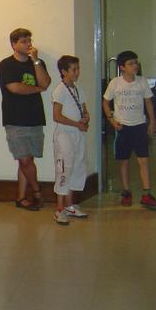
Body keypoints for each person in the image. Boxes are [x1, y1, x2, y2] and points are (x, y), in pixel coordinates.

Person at [0, 28, 51, 211]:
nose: (29, 44)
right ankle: (37, 191)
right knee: (25, 161)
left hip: (35, 117)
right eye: (24, 41)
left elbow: (45, 83)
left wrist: (35, 61)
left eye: (29, 40)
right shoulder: (7, 64)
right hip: (15, 119)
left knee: (26, 161)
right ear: (14, 44)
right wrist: (36, 89)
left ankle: (20, 198)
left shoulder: (37, 63)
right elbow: (15, 88)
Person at [102, 50, 156, 210]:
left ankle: (146, 194)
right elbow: (105, 102)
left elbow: (148, 102)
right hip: (122, 127)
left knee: (143, 160)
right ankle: (127, 192)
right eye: (131, 63)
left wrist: (152, 122)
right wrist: (111, 120)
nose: (135, 66)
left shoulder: (142, 82)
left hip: (140, 126)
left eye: (136, 62)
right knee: (124, 161)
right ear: (122, 67)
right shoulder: (115, 83)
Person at [52, 55, 90, 225]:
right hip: (65, 135)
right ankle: (59, 209)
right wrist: (76, 124)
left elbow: (84, 110)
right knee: (64, 169)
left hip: (78, 135)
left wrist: (85, 119)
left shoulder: (79, 88)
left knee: (77, 167)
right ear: (64, 71)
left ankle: (70, 206)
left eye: (78, 68)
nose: (77, 72)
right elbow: (57, 116)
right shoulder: (60, 90)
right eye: (73, 69)